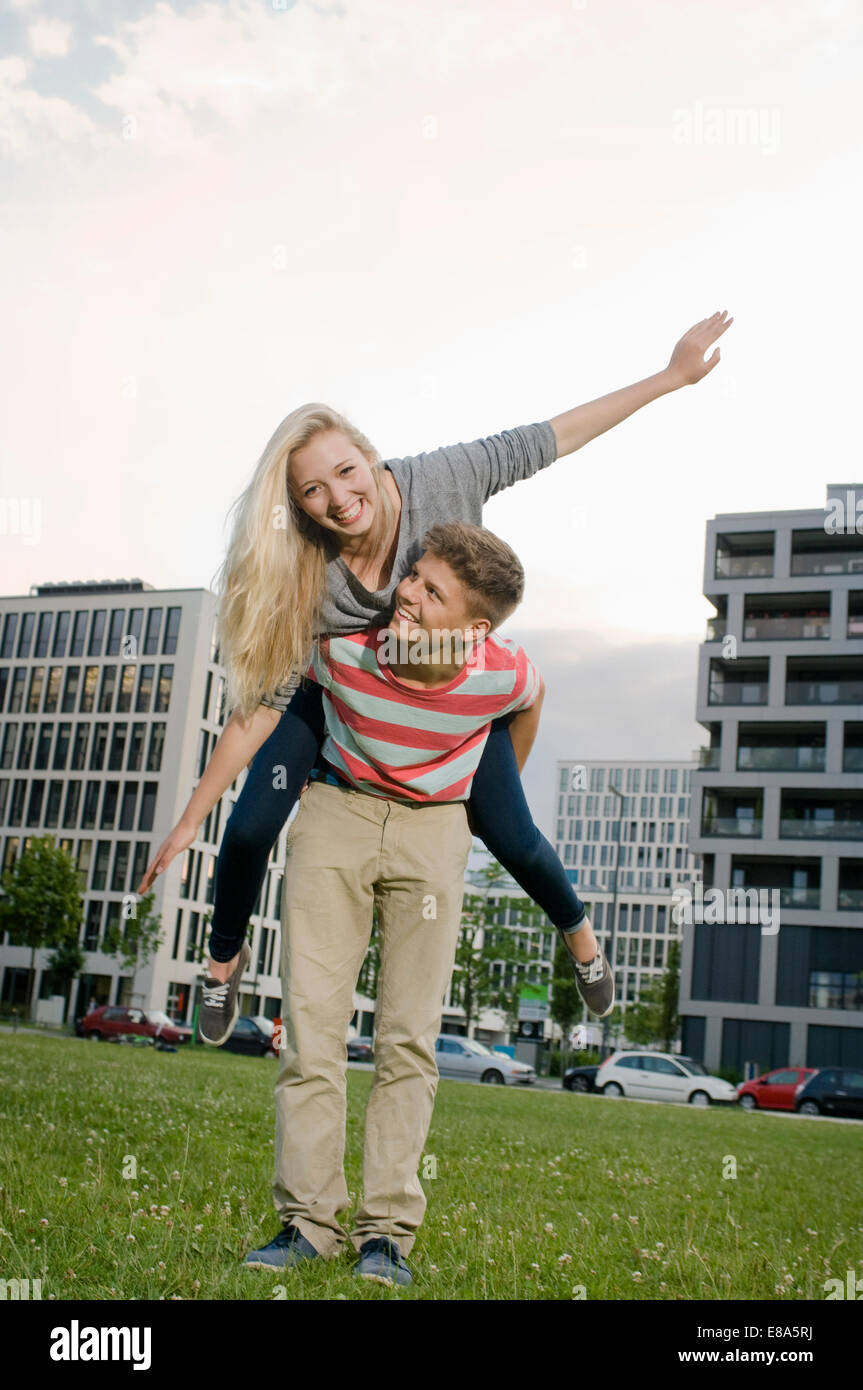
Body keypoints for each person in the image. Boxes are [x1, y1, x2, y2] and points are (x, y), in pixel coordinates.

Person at [136, 311, 733, 1046]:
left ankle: (579, 935)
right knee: (252, 824)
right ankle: (221, 963)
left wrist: (670, 377)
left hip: (438, 700)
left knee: (509, 833)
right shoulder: (307, 574)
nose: (337, 499)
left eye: (345, 472)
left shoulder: (443, 478)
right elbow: (258, 708)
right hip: (339, 693)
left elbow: (552, 437)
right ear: (299, 505)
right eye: (313, 492)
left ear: (369, 455)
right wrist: (192, 813)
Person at [245, 521, 587, 1284]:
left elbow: (531, 699)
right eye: (413, 575)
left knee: (407, 1039)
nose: (407, 593)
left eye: (432, 591)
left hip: (434, 832)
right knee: (313, 1027)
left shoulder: (500, 670)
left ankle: (386, 1235)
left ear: (472, 629)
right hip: (337, 810)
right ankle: (306, 1223)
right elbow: (268, 701)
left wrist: (484, 789)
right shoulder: (342, 646)